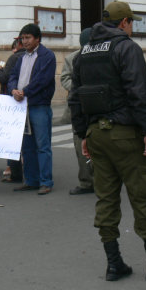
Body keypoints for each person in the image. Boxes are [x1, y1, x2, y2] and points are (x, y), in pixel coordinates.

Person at [69, 1, 146, 282]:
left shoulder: (84, 53)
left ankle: (114, 263)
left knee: (106, 198)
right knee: (142, 193)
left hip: (97, 134)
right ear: (124, 23)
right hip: (124, 133)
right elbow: (139, 91)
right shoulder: (126, 48)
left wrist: (84, 133)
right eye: (131, 22)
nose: (132, 27)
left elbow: (75, 97)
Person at [8, 23, 55, 195]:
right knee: (26, 146)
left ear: (37, 38)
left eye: (28, 38)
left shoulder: (47, 56)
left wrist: (24, 91)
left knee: (42, 145)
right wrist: (13, 90)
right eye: (23, 38)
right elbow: (12, 76)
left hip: (39, 105)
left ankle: (46, 181)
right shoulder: (21, 58)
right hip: (22, 106)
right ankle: (31, 180)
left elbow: (43, 80)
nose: (25, 41)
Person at [60, 28, 94, 195]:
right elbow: (64, 78)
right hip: (78, 108)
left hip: (96, 109)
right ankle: (86, 181)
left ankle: (102, 180)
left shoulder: (100, 56)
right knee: (80, 146)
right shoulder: (71, 58)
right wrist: (77, 90)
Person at [0, 37, 25, 183]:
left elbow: (5, 78)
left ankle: (14, 171)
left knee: (12, 138)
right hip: (24, 99)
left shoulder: (15, 58)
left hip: (12, 101)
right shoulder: (29, 56)